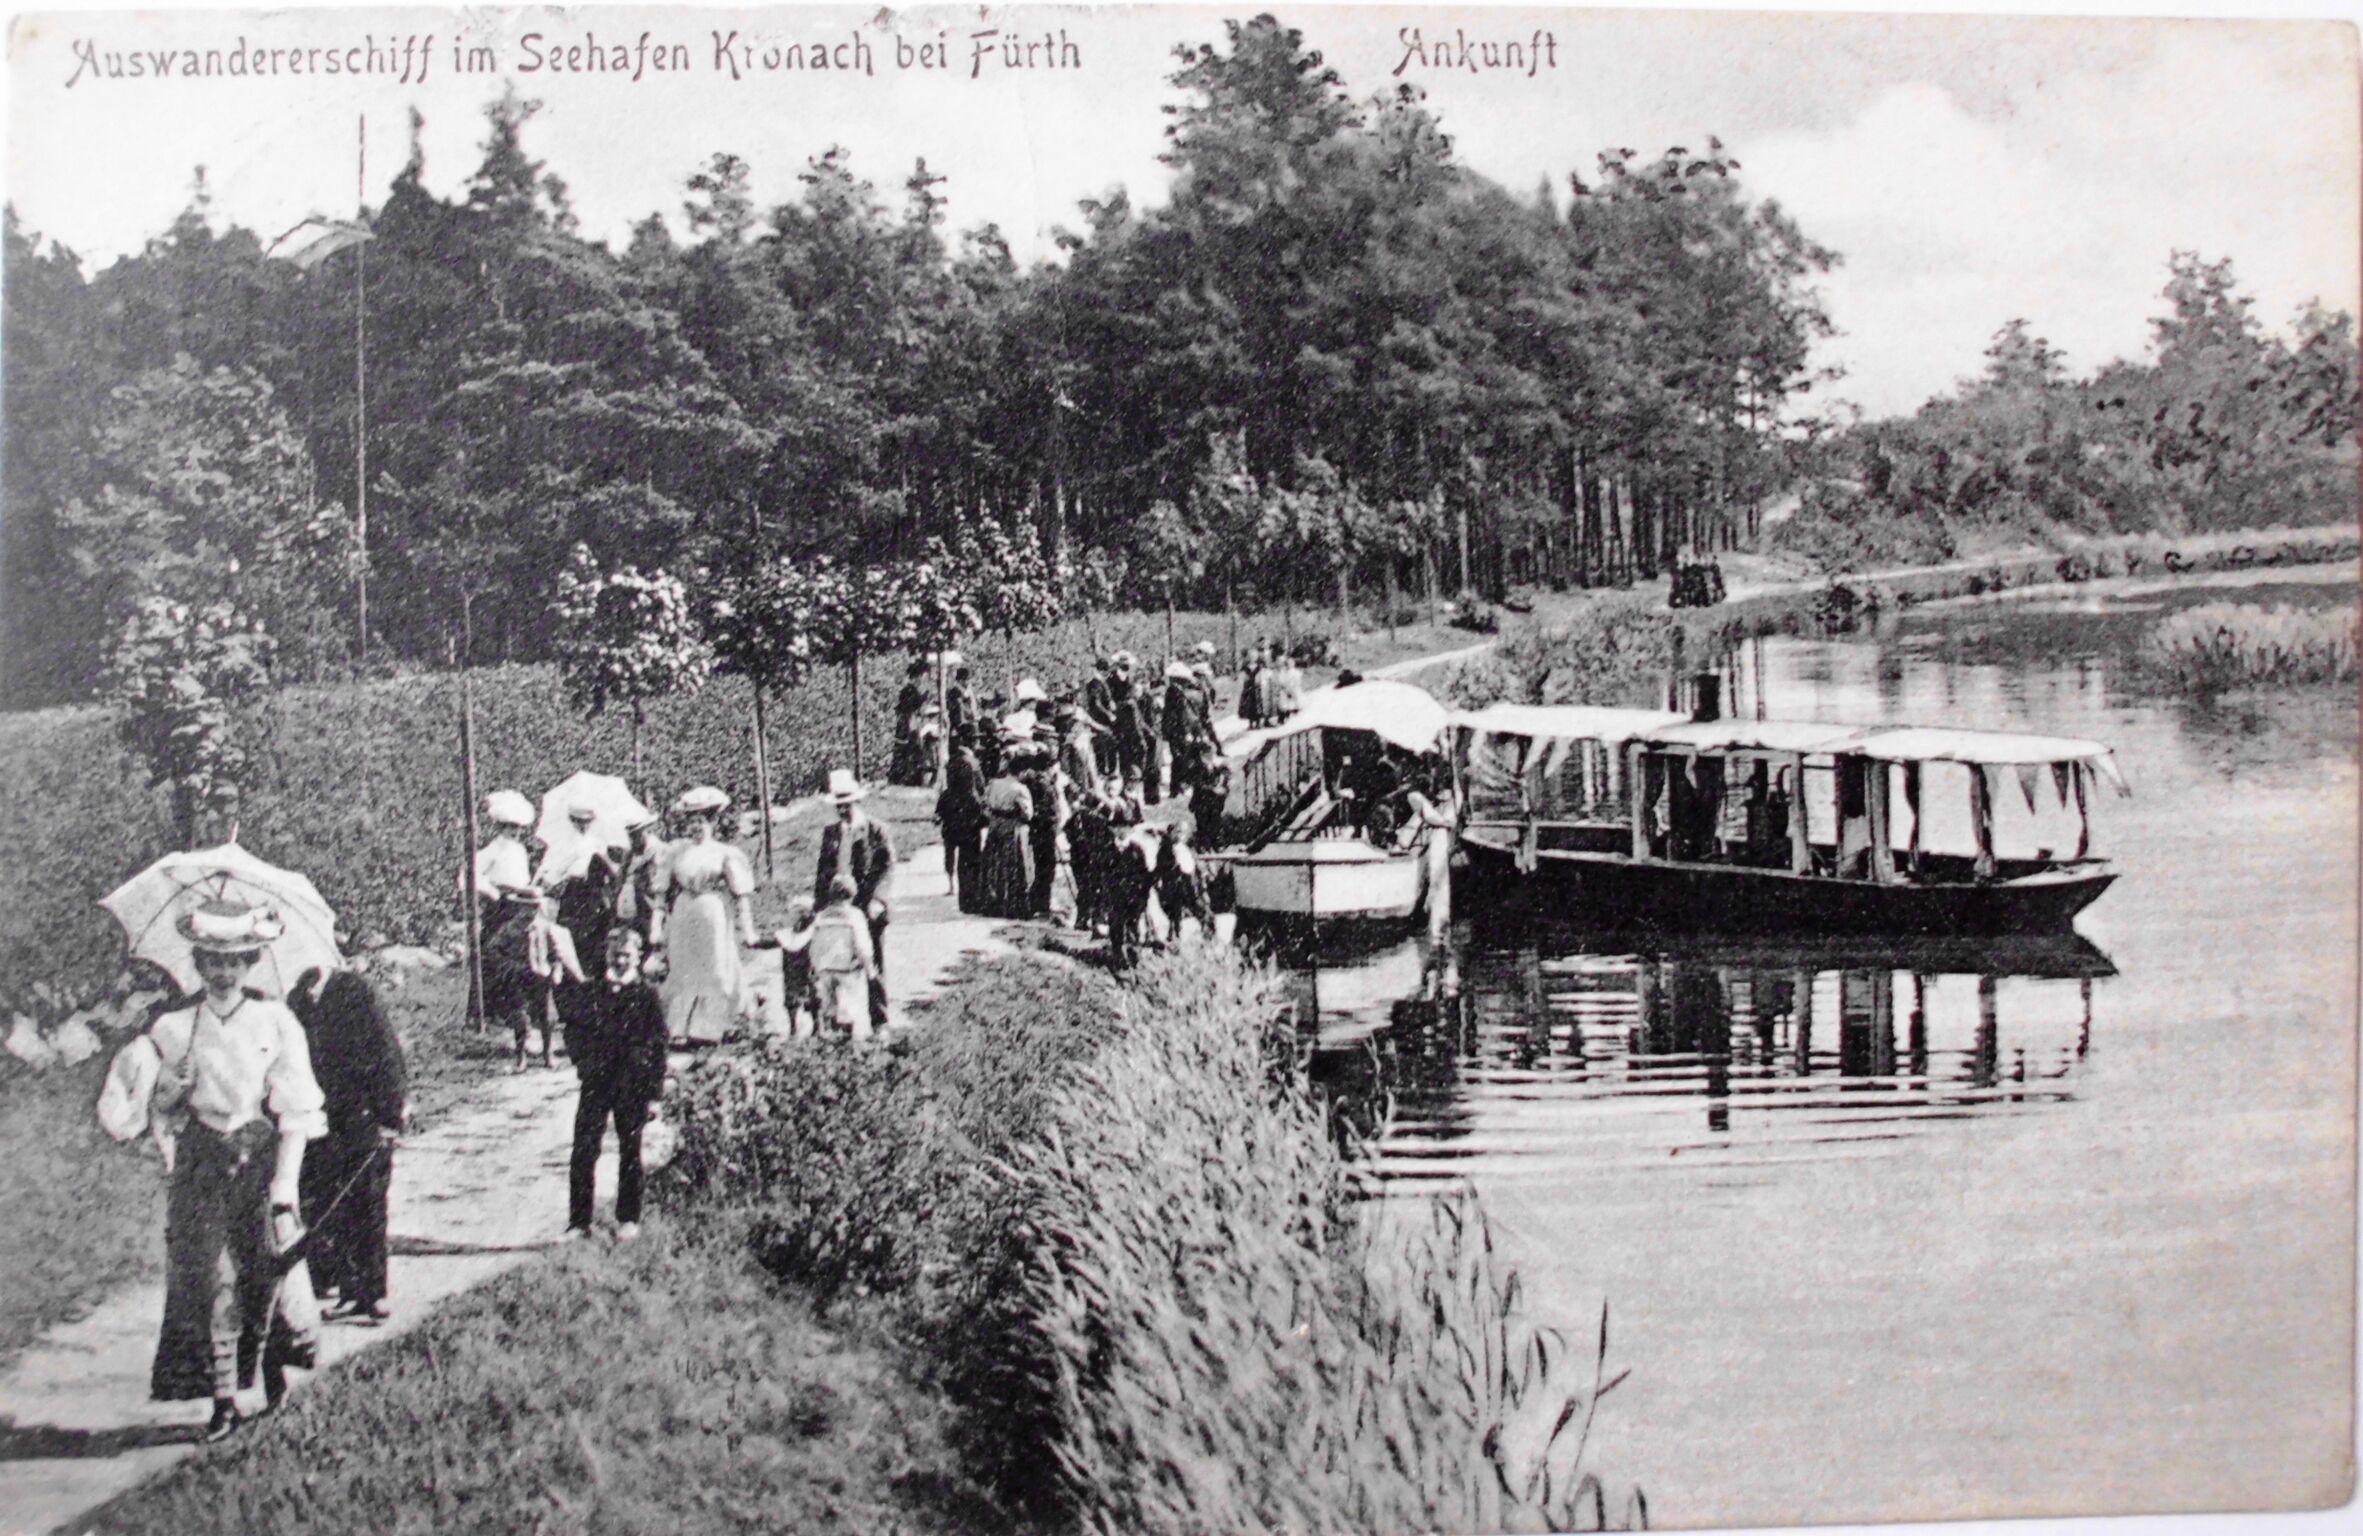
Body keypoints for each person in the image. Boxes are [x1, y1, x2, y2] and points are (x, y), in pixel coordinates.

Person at [97, 899, 327, 1443]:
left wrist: (284, 1189)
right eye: (213, 961)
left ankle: (272, 1379)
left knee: (265, 1276)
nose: (224, 972)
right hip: (202, 1165)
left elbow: (296, 1109)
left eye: (235, 961)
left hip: (258, 1161)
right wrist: (172, 1090)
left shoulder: (275, 1021)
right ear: (197, 963)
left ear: (251, 963)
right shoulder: (175, 1027)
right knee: (214, 1280)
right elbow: (152, 1115)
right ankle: (224, 1402)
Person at [289, 966, 406, 1324]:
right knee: (329, 1200)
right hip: (320, 1117)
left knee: (368, 1200)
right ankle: (348, 1288)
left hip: (362, 1112)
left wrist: (390, 1113)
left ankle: (375, 1291)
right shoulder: (296, 999)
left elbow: (386, 1052)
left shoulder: (355, 990)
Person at [565, 928, 669, 1242]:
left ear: (638, 958)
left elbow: (659, 1046)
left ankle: (628, 1219)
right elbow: (573, 1031)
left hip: (632, 1085)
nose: (620, 961)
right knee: (584, 1150)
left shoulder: (647, 995)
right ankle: (579, 1222)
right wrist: (584, 1063)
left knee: (630, 1150)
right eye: (615, 954)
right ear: (607, 955)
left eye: (627, 955)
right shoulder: (591, 991)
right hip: (596, 1082)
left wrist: (654, 1094)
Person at [654, 785, 756, 1045]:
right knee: (683, 969)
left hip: (713, 912)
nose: (696, 827)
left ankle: (711, 1028)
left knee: (716, 967)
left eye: (701, 821)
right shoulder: (676, 852)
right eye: (692, 822)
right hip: (684, 913)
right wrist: (656, 926)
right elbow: (660, 893)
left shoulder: (723, 853)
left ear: (713, 822)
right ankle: (680, 1027)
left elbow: (741, 894)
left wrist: (748, 929)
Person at [811, 768, 897, 1027]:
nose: (842, 810)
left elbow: (887, 868)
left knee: (873, 960)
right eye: (838, 805)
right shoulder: (831, 833)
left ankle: (879, 1020)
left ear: (856, 801)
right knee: (834, 961)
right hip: (837, 906)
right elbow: (823, 871)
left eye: (846, 804)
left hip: (866, 905)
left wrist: (878, 900)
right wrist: (818, 906)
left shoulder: (876, 830)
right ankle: (836, 1020)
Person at [482, 887, 577, 1071]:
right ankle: (521, 1056)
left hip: (541, 975)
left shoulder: (544, 927)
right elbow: (492, 949)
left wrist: (556, 968)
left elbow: (557, 951)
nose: (530, 912)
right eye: (526, 907)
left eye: (534, 907)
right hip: (518, 976)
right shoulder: (510, 928)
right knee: (520, 1015)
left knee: (547, 1016)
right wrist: (508, 964)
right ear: (518, 908)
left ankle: (548, 1054)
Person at [802, 874, 881, 1038]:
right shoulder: (854, 915)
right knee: (848, 1008)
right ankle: (846, 1040)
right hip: (847, 968)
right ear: (852, 894)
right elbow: (862, 945)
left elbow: (814, 943)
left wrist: (814, 966)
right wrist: (870, 969)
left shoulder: (821, 916)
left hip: (824, 968)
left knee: (830, 1007)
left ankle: (832, 1038)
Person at [978, 754, 1037, 918]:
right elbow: (1028, 814)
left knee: (994, 864)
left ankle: (992, 902)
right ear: (1022, 772)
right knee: (1013, 865)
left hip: (995, 824)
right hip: (1012, 826)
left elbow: (984, 804)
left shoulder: (994, 784)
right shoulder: (1020, 789)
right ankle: (1012, 904)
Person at [462, 790, 535, 921]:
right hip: (500, 905)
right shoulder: (493, 850)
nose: (516, 832)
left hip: (520, 902)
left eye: (519, 827)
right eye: (511, 827)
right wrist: (490, 891)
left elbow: (523, 880)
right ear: (500, 828)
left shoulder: (520, 850)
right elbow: (466, 876)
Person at [935, 746, 988, 915]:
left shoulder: (947, 794)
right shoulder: (973, 797)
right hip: (970, 832)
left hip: (951, 829)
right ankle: (971, 897)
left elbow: (938, 814)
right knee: (970, 863)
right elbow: (982, 814)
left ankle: (954, 887)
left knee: (951, 856)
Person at [613, 810, 670, 949]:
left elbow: (661, 885)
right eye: (631, 835)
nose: (633, 839)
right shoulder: (629, 854)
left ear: (647, 830)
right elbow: (621, 879)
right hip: (630, 909)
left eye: (637, 834)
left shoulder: (660, 851)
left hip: (650, 908)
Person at [1019, 746, 1065, 918]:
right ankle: (1041, 904)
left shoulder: (1034, 781)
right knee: (1046, 868)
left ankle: (1038, 903)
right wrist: (1055, 822)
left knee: (1041, 867)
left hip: (1039, 830)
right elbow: (1048, 810)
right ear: (1049, 766)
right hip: (1045, 831)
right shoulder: (1044, 784)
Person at [890, 661, 932, 786]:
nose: (923, 679)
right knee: (910, 750)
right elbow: (910, 709)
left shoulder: (912, 690)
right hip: (908, 723)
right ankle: (907, 778)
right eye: (923, 676)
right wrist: (923, 698)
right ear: (917, 676)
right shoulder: (909, 690)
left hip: (911, 722)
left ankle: (912, 778)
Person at [1189, 741, 1233, 850]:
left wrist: (1224, 785)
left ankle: (1214, 844)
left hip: (1214, 803)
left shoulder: (1213, 767)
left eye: (1212, 753)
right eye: (1209, 753)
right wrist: (1213, 790)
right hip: (1201, 803)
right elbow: (1198, 784)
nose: (1211, 756)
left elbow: (1221, 779)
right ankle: (1204, 845)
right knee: (1203, 825)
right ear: (1202, 754)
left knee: (1214, 823)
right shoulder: (1197, 767)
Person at [1270, 645, 1304, 723]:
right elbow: (1277, 681)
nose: (1281, 663)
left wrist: (1287, 688)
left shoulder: (1288, 671)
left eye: (1282, 661)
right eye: (1279, 661)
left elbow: (1292, 681)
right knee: (1282, 703)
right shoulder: (1276, 671)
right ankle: (1281, 717)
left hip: (1288, 689)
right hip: (1280, 689)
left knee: (1291, 702)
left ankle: (1291, 717)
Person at [1239, 643, 1269, 729]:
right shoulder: (1246, 667)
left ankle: (1258, 722)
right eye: (1251, 656)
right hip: (1248, 688)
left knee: (1257, 704)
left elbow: (1263, 676)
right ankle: (1250, 723)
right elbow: (1242, 676)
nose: (1252, 658)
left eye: (1254, 656)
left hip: (1257, 687)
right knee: (1249, 706)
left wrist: (1261, 682)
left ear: (1256, 657)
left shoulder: (1259, 666)